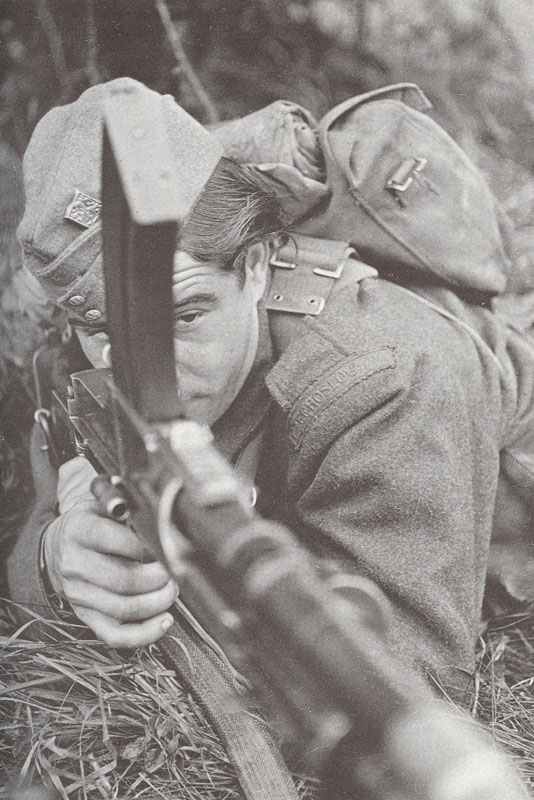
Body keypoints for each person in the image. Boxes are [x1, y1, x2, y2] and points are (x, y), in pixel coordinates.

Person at [5, 78, 534, 702]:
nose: (141, 369)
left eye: (184, 317)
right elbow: (49, 495)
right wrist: (56, 556)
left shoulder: (377, 380)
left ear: (257, 266)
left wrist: (196, 588)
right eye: (101, 329)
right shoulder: (108, 320)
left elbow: (406, 684)